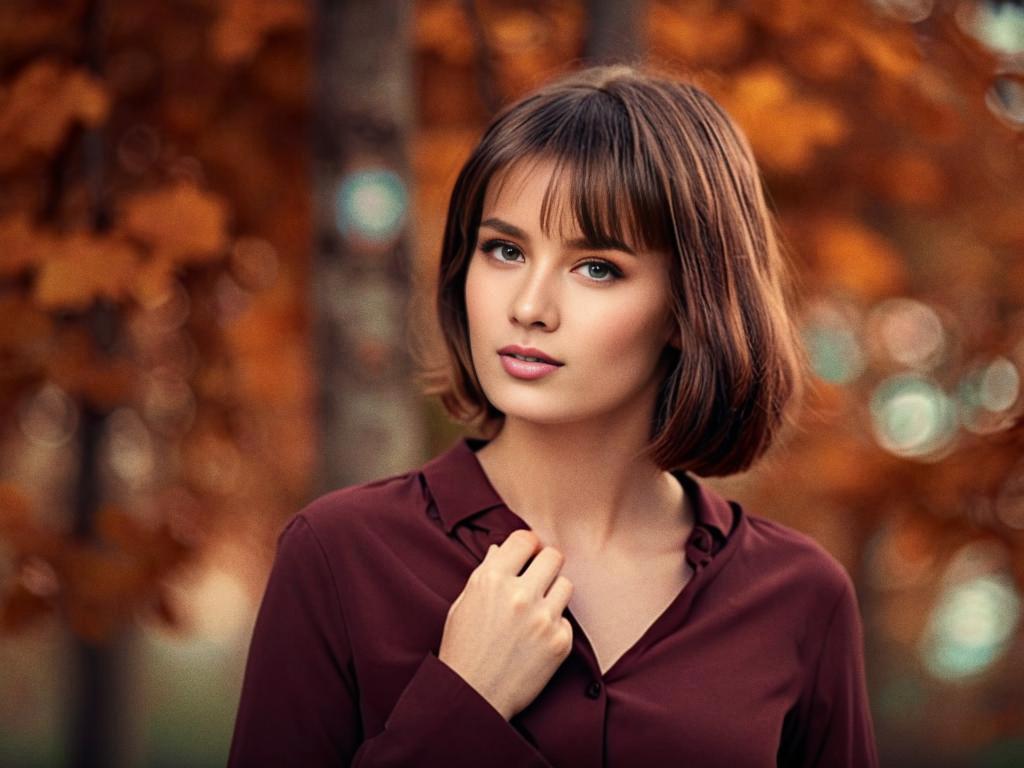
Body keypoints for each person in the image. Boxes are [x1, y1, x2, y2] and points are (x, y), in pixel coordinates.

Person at [227, 64, 880, 767]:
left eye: (596, 267)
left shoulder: (802, 598)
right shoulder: (337, 555)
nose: (529, 306)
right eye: (504, 251)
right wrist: (463, 702)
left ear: (691, 310)